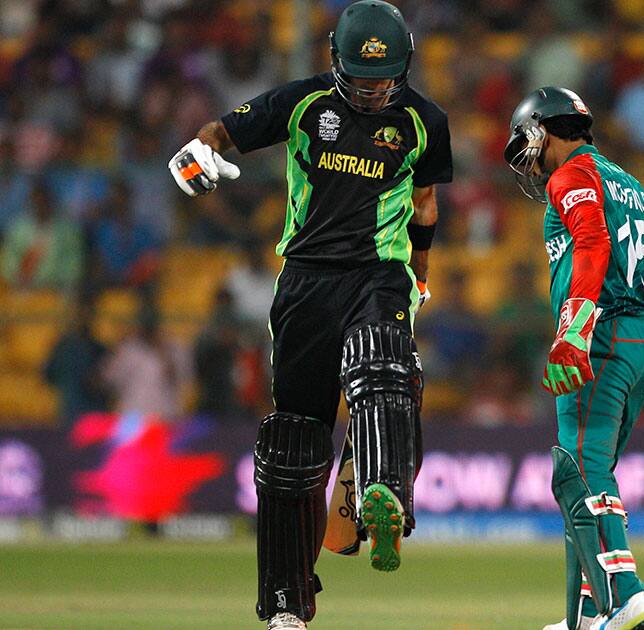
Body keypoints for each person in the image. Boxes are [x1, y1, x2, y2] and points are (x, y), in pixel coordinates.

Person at [166, 2, 451, 628]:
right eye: (362, 77)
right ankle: (287, 603)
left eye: (386, 78)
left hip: (380, 270)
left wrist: (420, 273)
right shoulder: (304, 104)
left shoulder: (425, 121)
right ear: (336, 61)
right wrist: (194, 155)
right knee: (295, 439)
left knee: (383, 367)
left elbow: (425, 203)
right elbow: (219, 131)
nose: (375, 91)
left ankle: (382, 493)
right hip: (304, 280)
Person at [504, 87, 644, 630]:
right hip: (638, 341)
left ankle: (625, 594)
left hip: (601, 336)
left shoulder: (570, 177)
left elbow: (592, 246)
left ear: (546, 129)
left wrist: (573, 331)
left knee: (583, 470)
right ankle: (583, 615)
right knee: (581, 476)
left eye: (527, 138)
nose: (526, 153)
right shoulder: (631, 185)